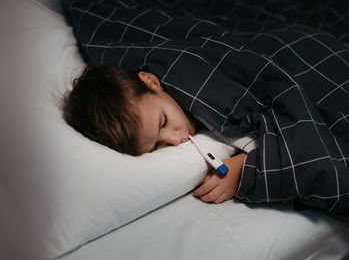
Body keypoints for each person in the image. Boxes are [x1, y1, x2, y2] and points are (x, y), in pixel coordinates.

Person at [63, 62, 247, 204]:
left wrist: (244, 168)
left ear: (151, 82)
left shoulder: (200, 84)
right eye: (157, 146)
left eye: (163, 122)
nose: (176, 140)